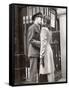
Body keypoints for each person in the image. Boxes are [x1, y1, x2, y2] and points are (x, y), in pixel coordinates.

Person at [27, 12, 43, 83]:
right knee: (33, 73)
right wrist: (41, 43)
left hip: (38, 52)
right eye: (40, 18)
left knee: (40, 71)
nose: (41, 19)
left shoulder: (39, 27)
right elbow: (30, 40)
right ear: (36, 18)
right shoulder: (32, 27)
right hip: (33, 53)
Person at [39, 16, 55, 82]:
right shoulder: (49, 29)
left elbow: (43, 43)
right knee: (50, 70)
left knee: (46, 70)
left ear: (44, 21)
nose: (40, 21)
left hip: (45, 51)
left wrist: (41, 55)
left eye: (41, 20)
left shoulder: (43, 29)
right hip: (49, 49)